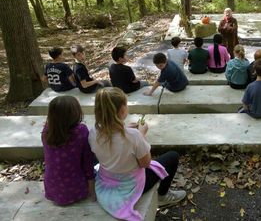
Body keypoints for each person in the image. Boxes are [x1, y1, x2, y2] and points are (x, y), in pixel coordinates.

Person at [90, 88, 186, 220]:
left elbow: (113, 141)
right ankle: (163, 196)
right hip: (130, 184)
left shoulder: (93, 132)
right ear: (123, 110)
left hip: (106, 178)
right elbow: (145, 163)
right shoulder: (134, 136)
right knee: (173, 156)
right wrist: (141, 134)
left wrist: (126, 131)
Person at [42, 96, 95, 206]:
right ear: (76, 113)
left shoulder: (46, 130)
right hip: (76, 190)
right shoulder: (81, 131)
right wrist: (91, 188)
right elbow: (87, 161)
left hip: (52, 189)